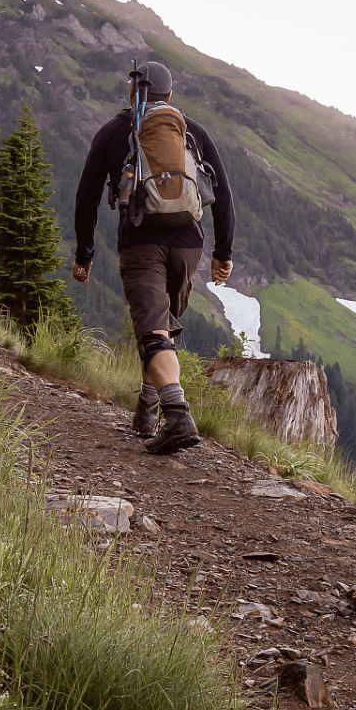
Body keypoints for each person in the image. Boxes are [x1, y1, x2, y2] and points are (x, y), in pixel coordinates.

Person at [73, 60, 236, 455]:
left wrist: (84, 252)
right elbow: (224, 193)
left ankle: (177, 415)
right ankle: (147, 406)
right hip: (188, 245)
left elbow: (87, 196)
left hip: (141, 242)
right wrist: (223, 253)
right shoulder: (191, 132)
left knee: (153, 333)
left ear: (133, 92)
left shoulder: (115, 131)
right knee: (161, 329)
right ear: (170, 94)